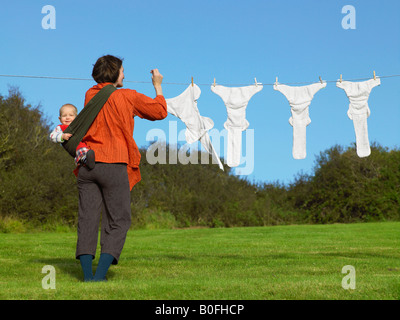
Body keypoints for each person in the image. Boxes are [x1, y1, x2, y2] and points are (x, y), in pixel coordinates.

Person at [76, 55, 167, 282]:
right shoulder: (128, 96)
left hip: (88, 164)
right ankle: (99, 277)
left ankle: (88, 277)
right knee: (118, 220)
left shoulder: (90, 94)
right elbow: (159, 112)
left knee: (87, 219)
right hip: (114, 164)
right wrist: (158, 86)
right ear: (115, 73)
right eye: (123, 71)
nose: (124, 75)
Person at [49, 103, 95, 169]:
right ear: (60, 119)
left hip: (87, 146)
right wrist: (62, 136)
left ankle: (88, 159)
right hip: (76, 146)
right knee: (81, 148)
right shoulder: (60, 128)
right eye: (64, 116)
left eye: (71, 115)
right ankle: (85, 159)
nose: (67, 117)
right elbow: (52, 136)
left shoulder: (79, 126)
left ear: (76, 118)